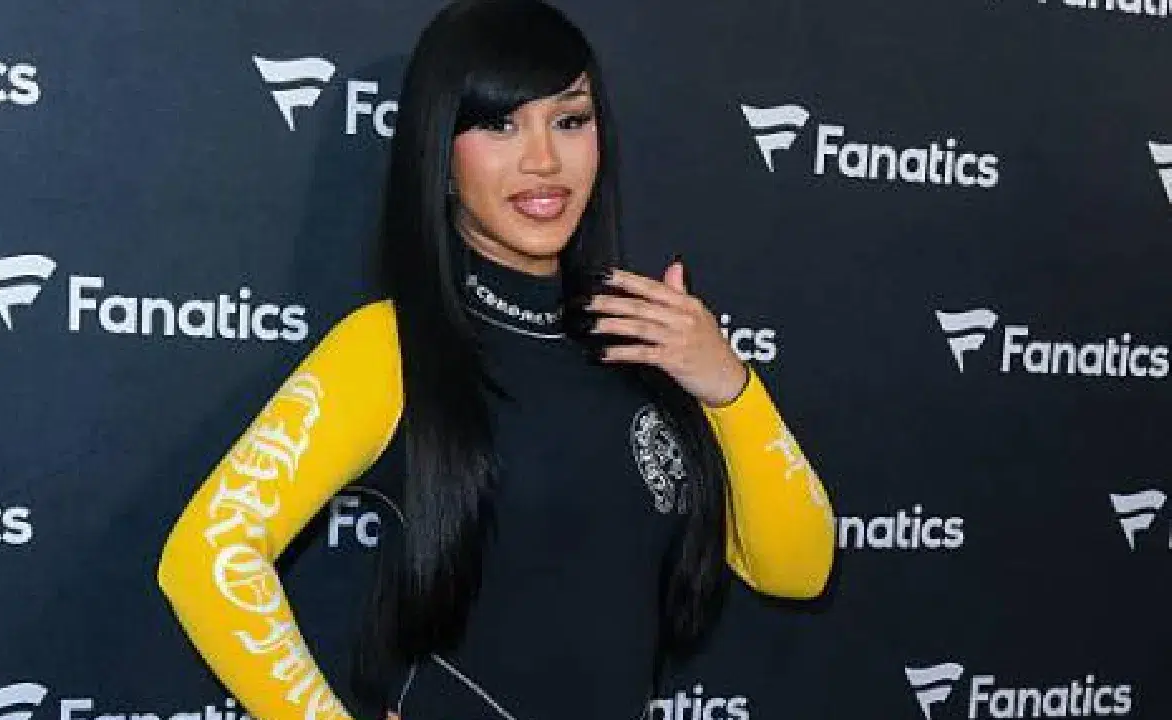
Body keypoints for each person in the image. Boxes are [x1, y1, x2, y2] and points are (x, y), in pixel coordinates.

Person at [155, 1, 836, 718]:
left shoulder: (646, 338)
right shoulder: (389, 348)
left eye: (569, 120)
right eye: (501, 125)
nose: (543, 160)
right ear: (441, 153)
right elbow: (207, 559)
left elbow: (798, 568)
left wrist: (729, 387)